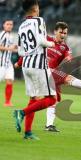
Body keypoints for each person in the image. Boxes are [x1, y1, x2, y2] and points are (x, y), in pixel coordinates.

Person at [15, 21, 81, 132]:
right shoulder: (45, 39)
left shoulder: (65, 47)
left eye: (65, 33)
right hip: (43, 69)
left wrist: (69, 58)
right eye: (61, 32)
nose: (63, 35)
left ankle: (48, 125)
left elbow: (68, 55)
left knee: (54, 100)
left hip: (49, 74)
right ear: (55, 32)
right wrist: (19, 62)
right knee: (68, 79)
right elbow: (31, 50)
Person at [13, 0, 57, 140]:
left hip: (26, 65)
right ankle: (21, 113)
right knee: (51, 99)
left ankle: (28, 133)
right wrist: (53, 43)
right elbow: (41, 41)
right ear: (35, 8)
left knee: (33, 98)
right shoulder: (39, 20)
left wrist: (28, 54)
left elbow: (19, 51)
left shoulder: (21, 26)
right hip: (39, 65)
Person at [0, 19, 17, 107]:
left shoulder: (10, 36)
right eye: (8, 24)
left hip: (8, 63)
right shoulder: (2, 34)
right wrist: (9, 48)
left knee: (10, 81)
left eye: (11, 24)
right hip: (1, 63)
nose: (9, 26)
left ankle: (7, 102)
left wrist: (16, 49)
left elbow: (10, 48)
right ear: (4, 25)